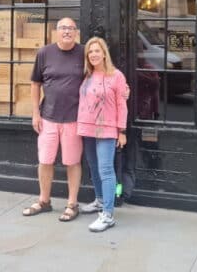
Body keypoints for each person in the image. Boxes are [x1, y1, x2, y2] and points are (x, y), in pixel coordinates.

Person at [22, 17, 84, 222]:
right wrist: (35, 113)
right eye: (63, 28)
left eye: (71, 28)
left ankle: (72, 204)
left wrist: (122, 87)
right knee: (45, 160)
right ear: (56, 31)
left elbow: (103, 72)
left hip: (74, 118)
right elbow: (35, 84)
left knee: (72, 162)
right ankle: (44, 201)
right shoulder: (45, 53)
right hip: (48, 117)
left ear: (76, 32)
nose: (67, 31)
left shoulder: (84, 53)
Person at [76, 37, 128, 232]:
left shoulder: (116, 76)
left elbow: (122, 105)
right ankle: (99, 200)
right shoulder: (87, 76)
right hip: (87, 127)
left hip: (107, 129)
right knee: (93, 166)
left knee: (106, 169)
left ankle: (108, 214)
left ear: (104, 53)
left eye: (97, 51)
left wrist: (121, 131)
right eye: (90, 52)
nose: (94, 55)